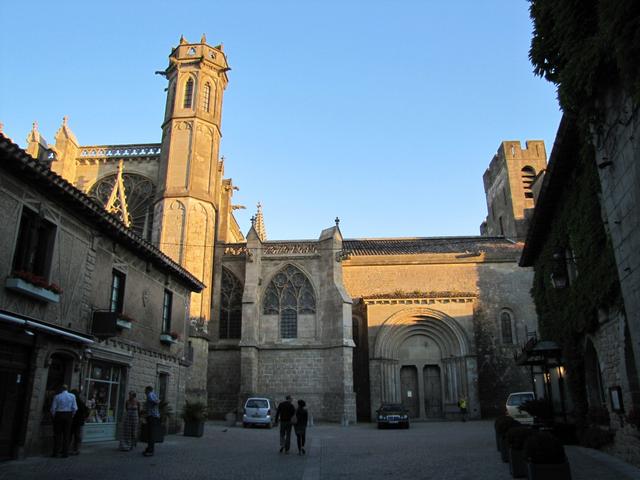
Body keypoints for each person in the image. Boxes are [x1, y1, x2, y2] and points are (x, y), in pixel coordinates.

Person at [50, 384, 78, 458]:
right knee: (66, 434)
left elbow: (53, 409)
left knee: (57, 434)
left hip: (59, 415)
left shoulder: (57, 396)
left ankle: (55, 452)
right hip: (68, 415)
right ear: (67, 389)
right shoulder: (72, 396)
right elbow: (75, 408)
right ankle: (65, 453)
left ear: (61, 389)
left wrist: (55, 416)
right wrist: (71, 415)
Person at [69, 389, 89, 455]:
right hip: (79, 422)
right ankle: (76, 449)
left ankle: (68, 449)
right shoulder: (80, 402)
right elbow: (86, 411)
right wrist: (84, 418)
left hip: (72, 421)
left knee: (70, 435)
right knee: (77, 436)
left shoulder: (72, 401)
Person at [142, 386, 160, 457]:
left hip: (152, 416)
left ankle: (150, 451)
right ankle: (149, 449)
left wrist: (152, 405)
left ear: (148, 390)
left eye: (145, 390)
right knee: (150, 433)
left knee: (151, 434)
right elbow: (158, 401)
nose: (144, 392)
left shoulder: (150, 395)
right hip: (154, 416)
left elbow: (156, 402)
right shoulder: (154, 394)